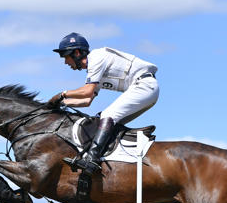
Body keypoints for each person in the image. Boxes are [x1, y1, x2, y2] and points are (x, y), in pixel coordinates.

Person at [48, 32, 159, 175]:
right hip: (146, 89)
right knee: (102, 121)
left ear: (76, 53)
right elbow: (87, 101)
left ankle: (92, 160)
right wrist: (63, 103)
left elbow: (87, 91)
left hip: (144, 86)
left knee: (108, 115)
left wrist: (62, 94)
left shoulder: (96, 58)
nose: (65, 62)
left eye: (66, 57)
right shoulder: (94, 68)